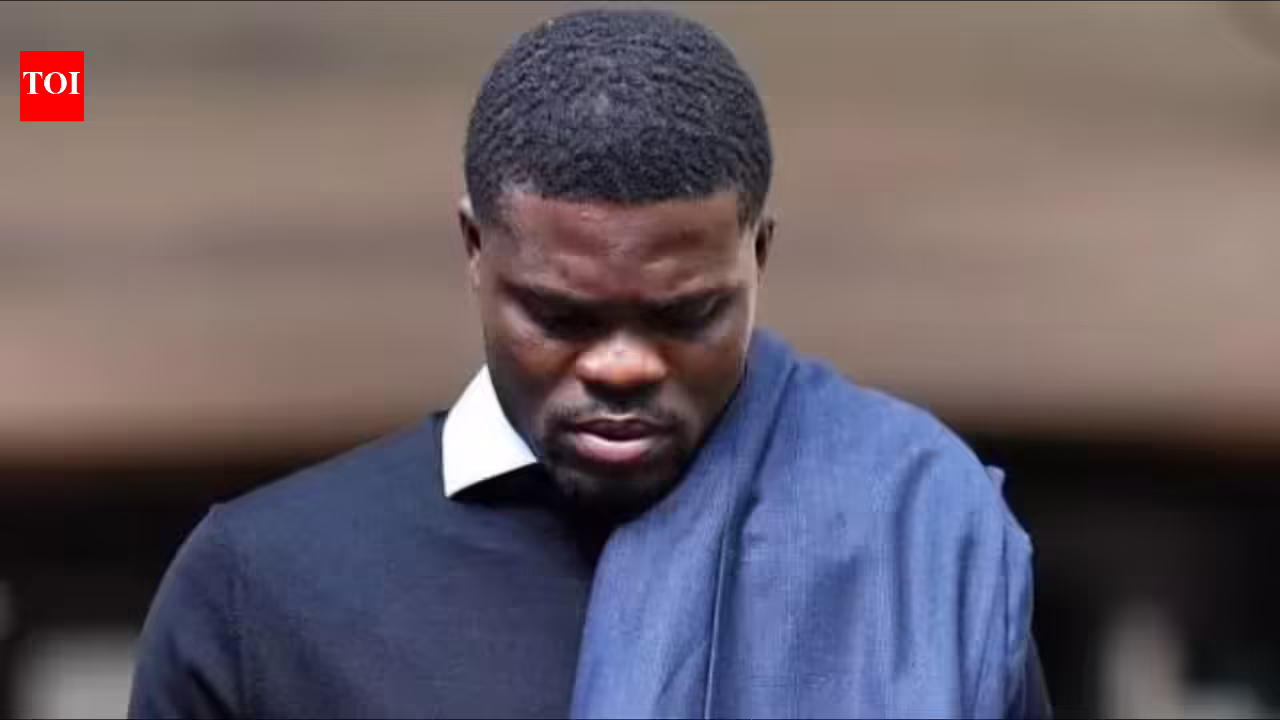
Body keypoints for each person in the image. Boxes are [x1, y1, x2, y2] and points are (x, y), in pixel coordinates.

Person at [129, 8, 1050, 719]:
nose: (620, 365)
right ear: (475, 249)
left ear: (759, 256)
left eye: (685, 315)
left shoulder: (920, 544)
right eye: (561, 316)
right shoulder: (264, 588)